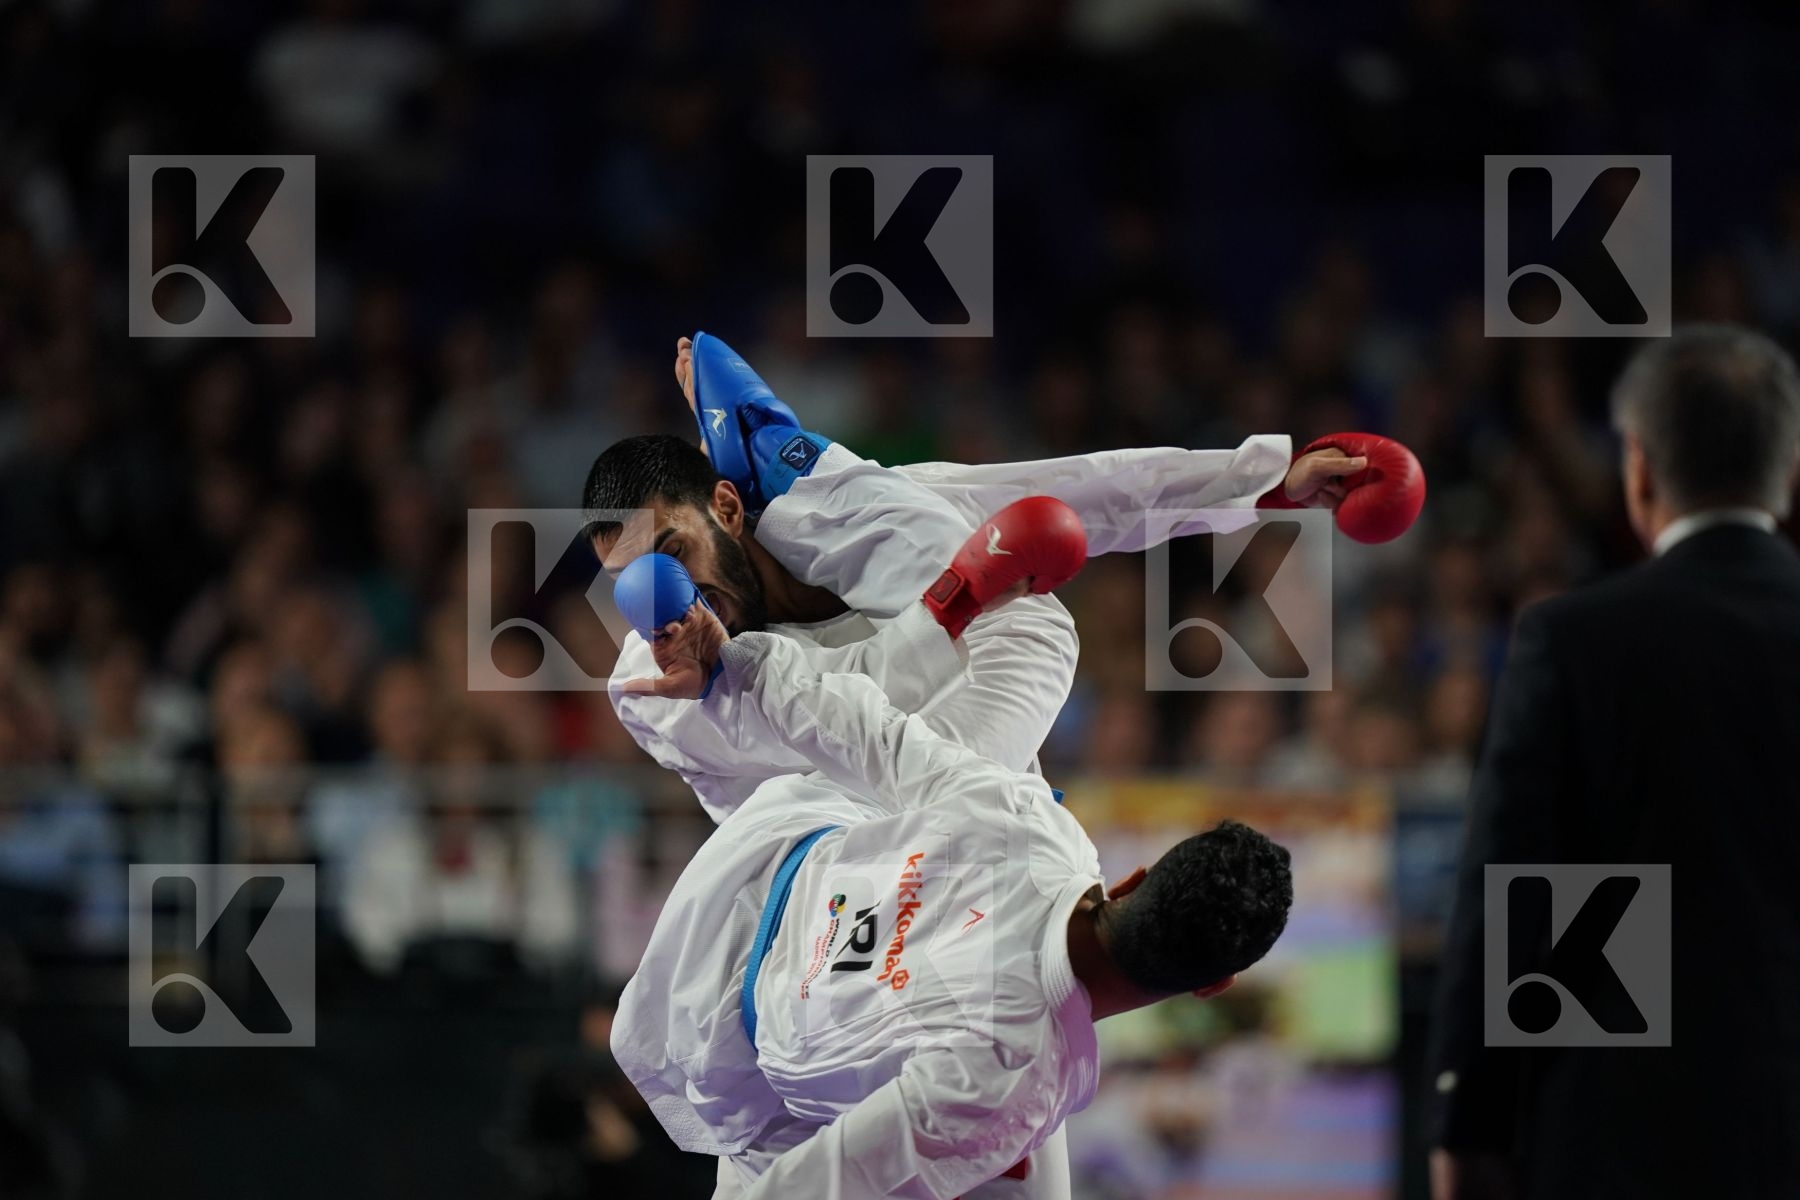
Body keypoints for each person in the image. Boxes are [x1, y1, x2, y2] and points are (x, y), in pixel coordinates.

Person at [609, 504, 1294, 1199]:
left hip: (752, 862)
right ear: (1211, 985)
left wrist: (732, 666)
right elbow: (824, 1181)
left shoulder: (1034, 823)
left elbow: (872, 734)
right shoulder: (1010, 1084)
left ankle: (862, 539)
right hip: (717, 1036)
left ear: (1134, 878)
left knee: (1036, 632)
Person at [585, 333, 1392, 821]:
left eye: (674, 558)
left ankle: (774, 449)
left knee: (1018, 606)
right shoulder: (653, 684)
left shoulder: (861, 522)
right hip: (827, 889)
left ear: (727, 507)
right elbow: (851, 711)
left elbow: (1086, 487)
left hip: (980, 839)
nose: (670, 604)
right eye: (634, 585)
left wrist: (1268, 478)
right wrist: (949, 602)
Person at [1427, 324, 1800, 1200]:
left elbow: (1516, 889)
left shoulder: (1576, 641)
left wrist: (1470, 1116)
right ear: (1788, 470)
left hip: (1630, 1134)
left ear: (1638, 469)